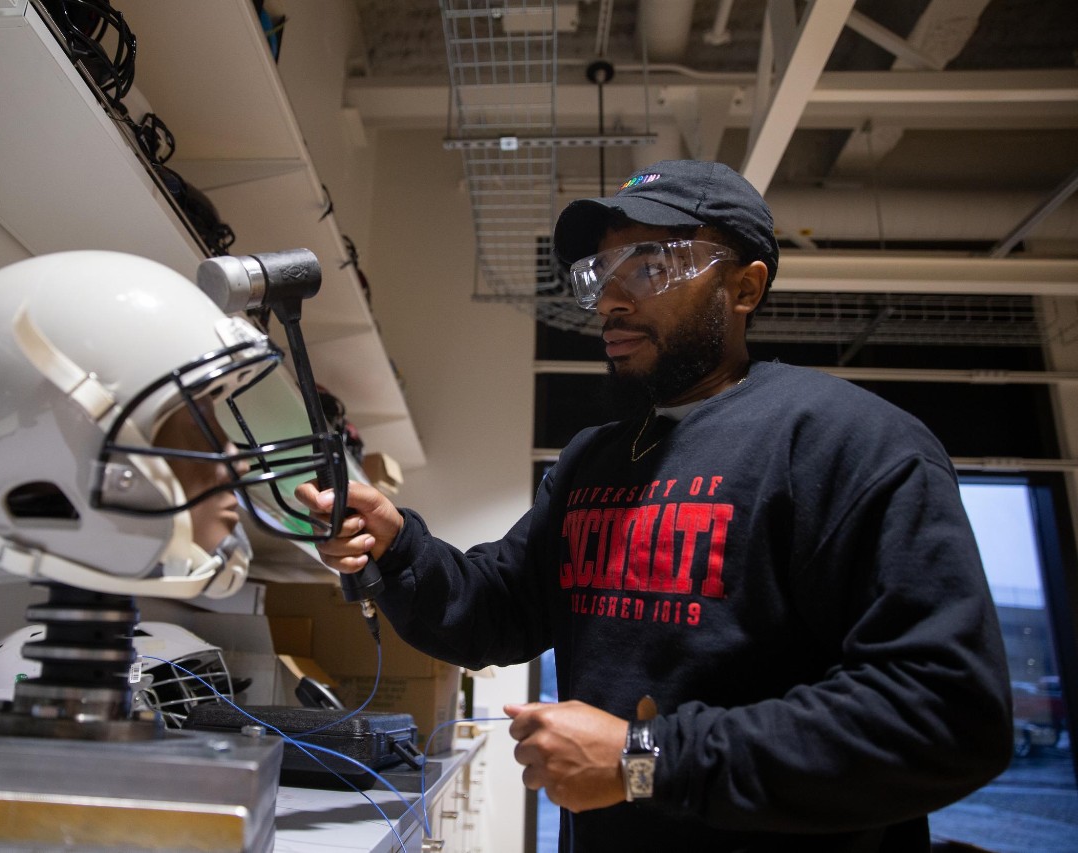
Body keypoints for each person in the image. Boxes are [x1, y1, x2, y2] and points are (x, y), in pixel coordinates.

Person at [296, 159, 1013, 851]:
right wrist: (399, 549)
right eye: (599, 273)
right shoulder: (593, 460)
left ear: (745, 287)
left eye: (647, 265)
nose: (611, 298)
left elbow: (947, 711)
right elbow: (497, 609)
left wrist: (647, 760)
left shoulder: (849, 441)